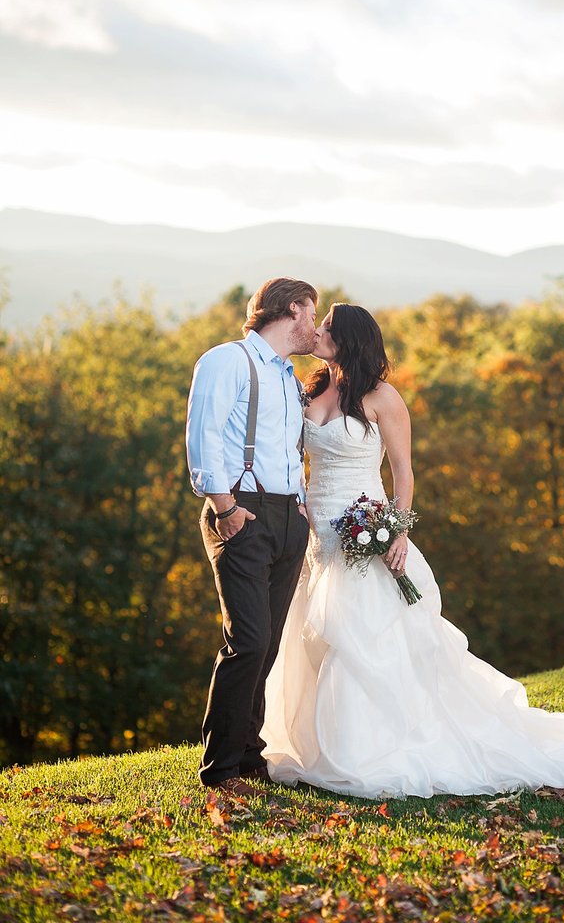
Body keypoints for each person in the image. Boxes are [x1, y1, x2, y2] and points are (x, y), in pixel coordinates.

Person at [260, 302, 564, 799]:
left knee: (358, 640)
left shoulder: (383, 398)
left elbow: (403, 472)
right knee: (307, 634)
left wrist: (397, 530)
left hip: (365, 532)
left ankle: (364, 749)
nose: (315, 333)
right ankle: (313, 746)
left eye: (326, 329)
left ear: (350, 340)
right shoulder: (313, 388)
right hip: (316, 535)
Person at [186, 276, 318, 798]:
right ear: (291, 310)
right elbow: (205, 434)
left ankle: (249, 756)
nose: (316, 326)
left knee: (268, 644)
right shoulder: (227, 360)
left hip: (287, 518)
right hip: (242, 512)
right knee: (249, 640)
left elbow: (285, 449)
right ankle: (220, 770)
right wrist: (225, 506)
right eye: (312, 313)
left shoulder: (287, 375)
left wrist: (301, 503)